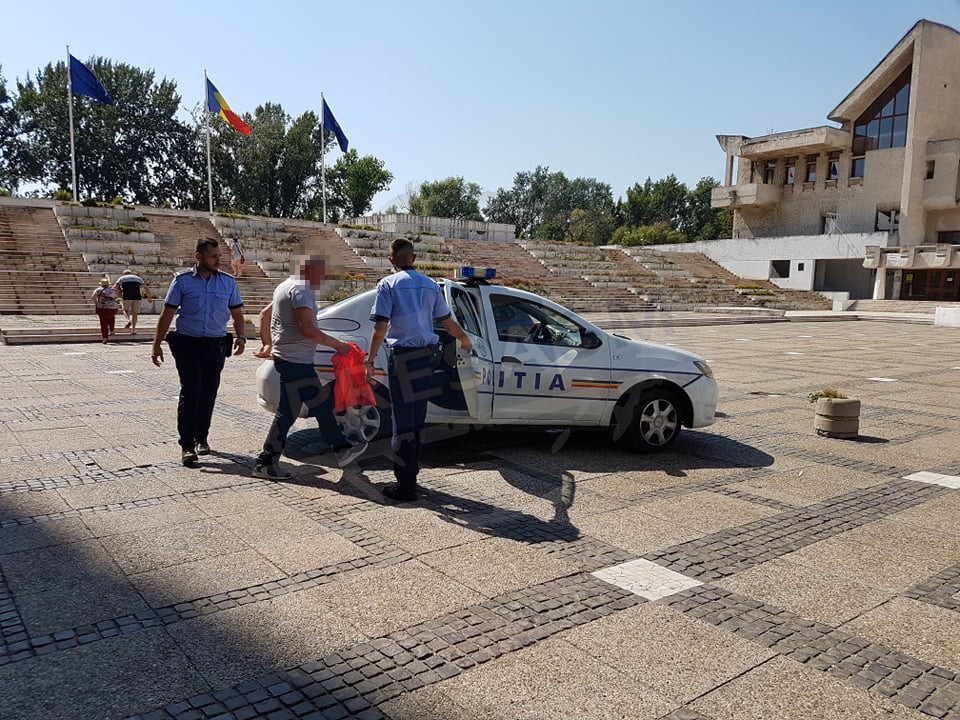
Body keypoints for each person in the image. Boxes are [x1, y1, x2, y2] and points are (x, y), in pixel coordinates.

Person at [366, 238, 472, 502]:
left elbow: (380, 328)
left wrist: (369, 360)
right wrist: (465, 339)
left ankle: (405, 486)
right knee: (416, 420)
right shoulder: (430, 285)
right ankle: (411, 474)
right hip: (427, 360)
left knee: (401, 424)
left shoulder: (388, 284)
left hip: (402, 359)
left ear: (391, 261)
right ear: (413, 258)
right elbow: (447, 322)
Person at [252, 252, 367, 479]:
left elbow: (264, 315)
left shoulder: (285, 285)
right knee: (290, 413)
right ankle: (265, 462)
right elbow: (308, 329)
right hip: (296, 360)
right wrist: (338, 345)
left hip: (290, 358)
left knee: (319, 406)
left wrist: (269, 344)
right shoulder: (301, 289)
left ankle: (341, 449)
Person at [151, 239, 246, 467]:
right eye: (213, 256)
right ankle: (186, 445)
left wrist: (241, 337)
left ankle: (202, 437)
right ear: (198, 256)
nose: (217, 260)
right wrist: (156, 344)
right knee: (191, 390)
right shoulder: (182, 281)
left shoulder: (227, 283)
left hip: (215, 345)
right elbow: (167, 314)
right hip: (187, 344)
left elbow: (237, 313)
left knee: (209, 392)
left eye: (218, 256)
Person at [114, 268, 150, 334]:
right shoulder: (138, 278)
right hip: (137, 297)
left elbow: (115, 287)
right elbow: (146, 288)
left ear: (124, 274)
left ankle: (128, 320)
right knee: (135, 314)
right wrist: (149, 297)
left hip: (127, 296)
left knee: (125, 310)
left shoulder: (122, 278)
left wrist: (117, 293)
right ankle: (133, 330)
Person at [92, 278, 120, 343]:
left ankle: (105, 338)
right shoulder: (113, 289)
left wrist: (96, 303)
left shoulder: (98, 289)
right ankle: (112, 330)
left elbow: (93, 297)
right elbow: (117, 297)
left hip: (102, 308)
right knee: (111, 317)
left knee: (103, 323)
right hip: (113, 308)